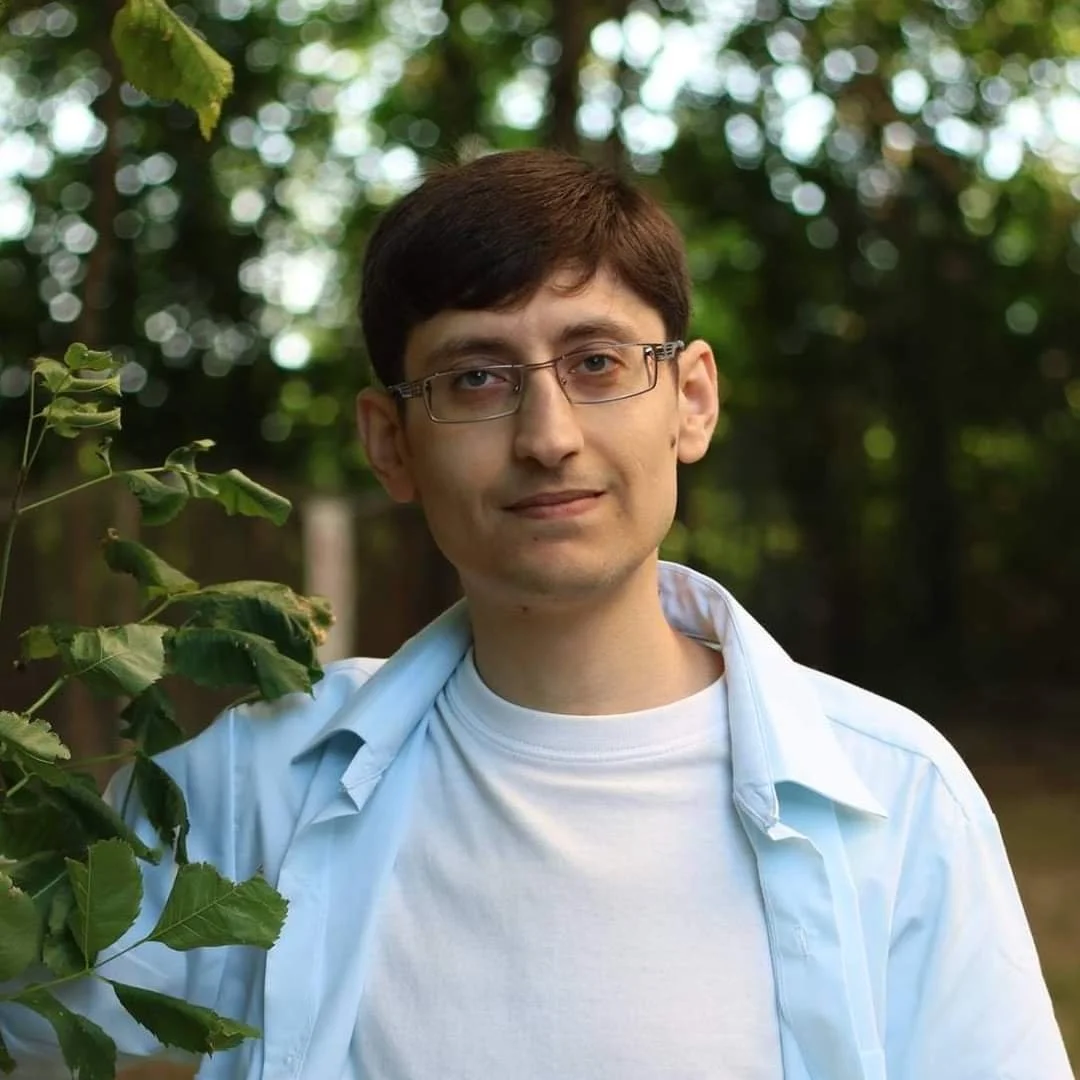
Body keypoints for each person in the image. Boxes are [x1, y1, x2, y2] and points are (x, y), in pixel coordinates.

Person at [2, 149, 1072, 1080]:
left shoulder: (894, 796)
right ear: (390, 443)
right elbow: (25, 1009)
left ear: (689, 399)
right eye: (475, 377)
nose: (547, 434)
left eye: (597, 361)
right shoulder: (261, 785)